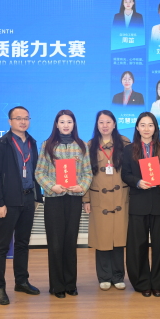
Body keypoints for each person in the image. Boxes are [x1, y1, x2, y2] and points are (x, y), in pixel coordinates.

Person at [0, 106, 43, 306]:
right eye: (18, 118)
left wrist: (36, 198)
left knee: (22, 244)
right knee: (1, 247)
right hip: (8, 203)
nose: (23, 121)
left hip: (28, 200)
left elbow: (35, 171)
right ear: (10, 121)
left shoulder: (32, 143)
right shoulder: (1, 144)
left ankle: (21, 281)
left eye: (26, 118)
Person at [35, 110, 93, 299]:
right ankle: (57, 286)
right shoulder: (47, 145)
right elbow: (39, 173)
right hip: (54, 199)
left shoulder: (81, 145)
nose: (66, 125)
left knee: (70, 241)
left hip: (73, 199)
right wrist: (52, 186)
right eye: (62, 122)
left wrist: (81, 186)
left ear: (74, 124)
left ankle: (70, 284)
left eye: (69, 121)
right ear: (56, 124)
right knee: (55, 243)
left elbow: (88, 173)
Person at [121, 112, 160, 297]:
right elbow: (125, 174)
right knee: (138, 246)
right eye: (143, 125)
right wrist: (137, 182)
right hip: (138, 203)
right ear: (137, 127)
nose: (146, 129)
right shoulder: (129, 149)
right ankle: (142, 283)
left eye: (150, 125)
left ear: (155, 128)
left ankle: (159, 282)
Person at [83, 111, 131, 291]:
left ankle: (118, 276)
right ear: (97, 125)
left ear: (114, 124)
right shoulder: (89, 146)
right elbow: (85, 174)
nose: (105, 125)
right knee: (102, 239)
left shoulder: (125, 143)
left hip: (121, 197)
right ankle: (103, 276)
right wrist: (86, 199)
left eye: (108, 122)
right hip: (99, 198)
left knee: (119, 238)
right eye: (101, 122)